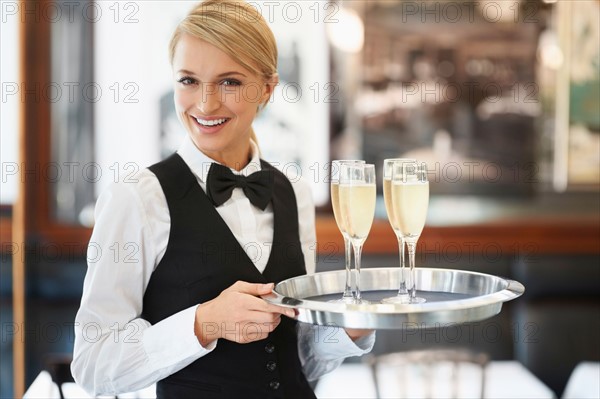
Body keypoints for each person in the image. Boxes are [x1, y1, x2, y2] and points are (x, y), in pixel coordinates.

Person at [71, 1, 375, 397]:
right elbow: (92, 365)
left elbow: (295, 358)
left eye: (229, 81)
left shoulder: (294, 193)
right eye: (188, 81)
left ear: (267, 88)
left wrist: (350, 331)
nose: (205, 104)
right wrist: (203, 323)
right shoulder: (136, 200)